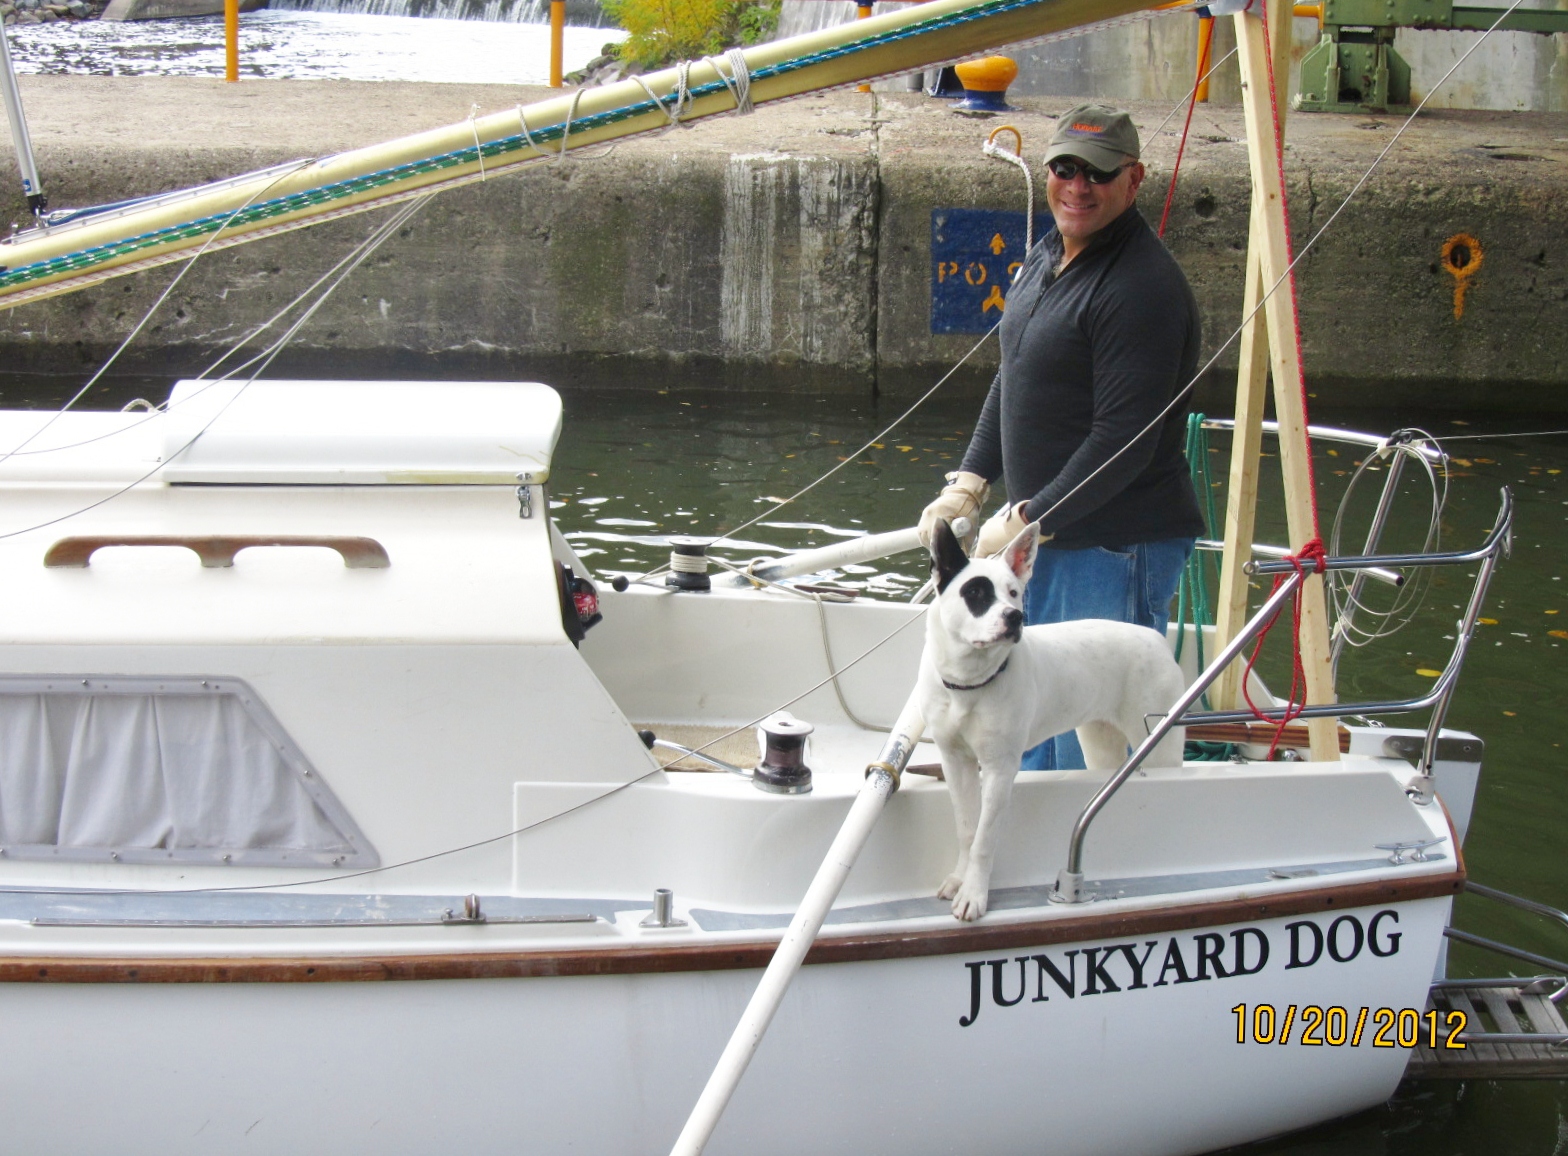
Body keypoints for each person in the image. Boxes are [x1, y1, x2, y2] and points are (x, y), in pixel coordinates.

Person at [917, 103, 1206, 770]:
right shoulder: (1052, 251)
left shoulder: (1141, 289)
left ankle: (1087, 861)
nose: (1078, 187)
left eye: (1098, 174)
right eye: (1065, 169)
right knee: (1030, 715)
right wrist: (969, 482)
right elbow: (1015, 376)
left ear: (1134, 181)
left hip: (1113, 546)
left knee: (1088, 738)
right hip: (1049, 538)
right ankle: (1027, 851)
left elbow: (1123, 439)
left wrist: (1025, 518)